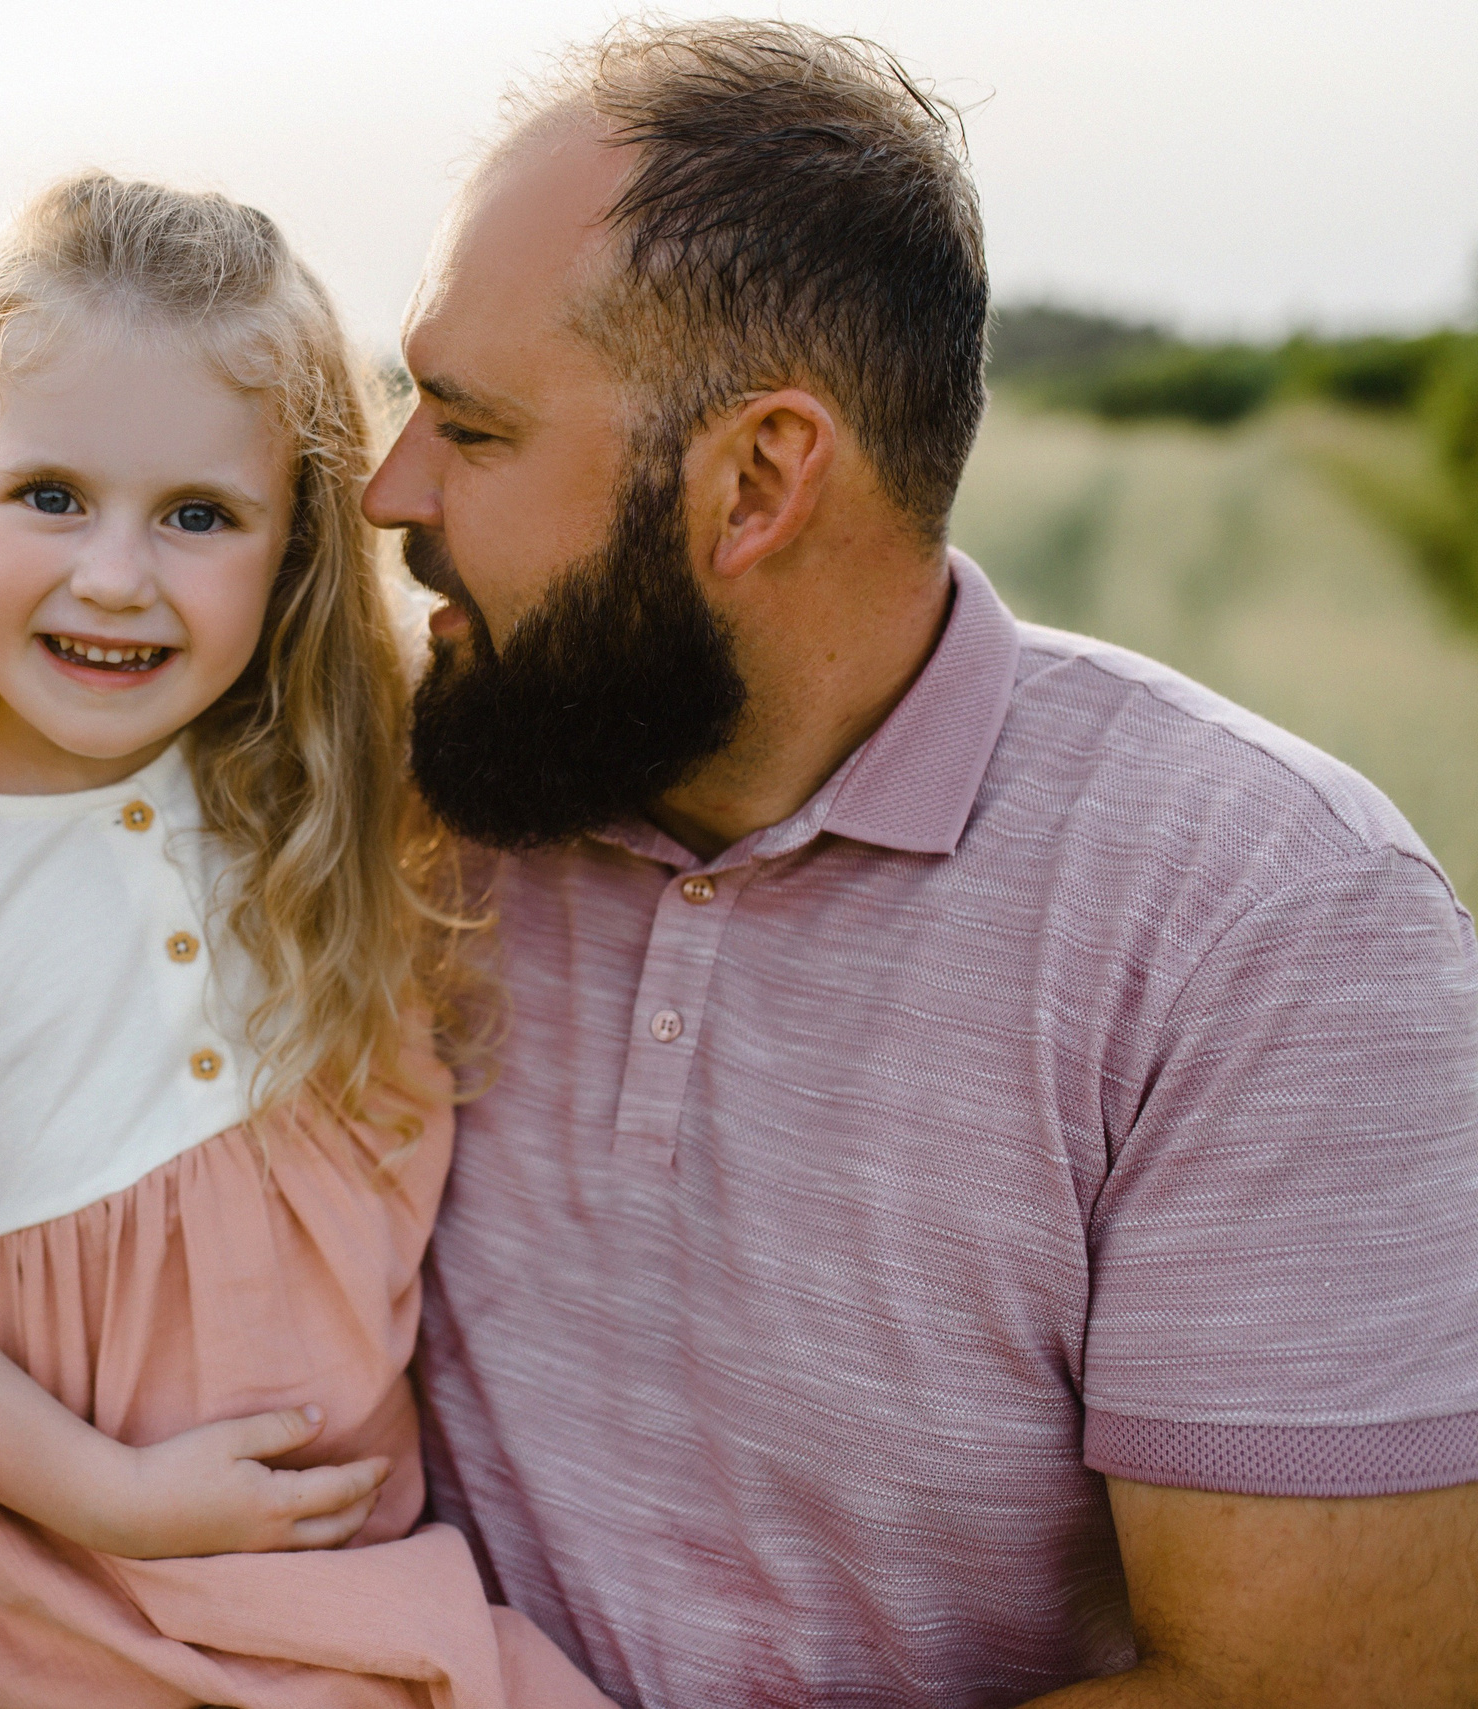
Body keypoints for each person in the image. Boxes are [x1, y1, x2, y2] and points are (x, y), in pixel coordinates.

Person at [367, 18, 1478, 1707]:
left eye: (471, 424)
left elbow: (1306, 1683)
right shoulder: (437, 787)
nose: (390, 487)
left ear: (756, 480)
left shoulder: (1271, 928)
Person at [0, 173, 610, 1709]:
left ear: (293, 549)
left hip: (370, 1546)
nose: (115, 576)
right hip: (114, 1591)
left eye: (199, 516)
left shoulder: (312, 790)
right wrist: (111, 1494)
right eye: (50, 494)